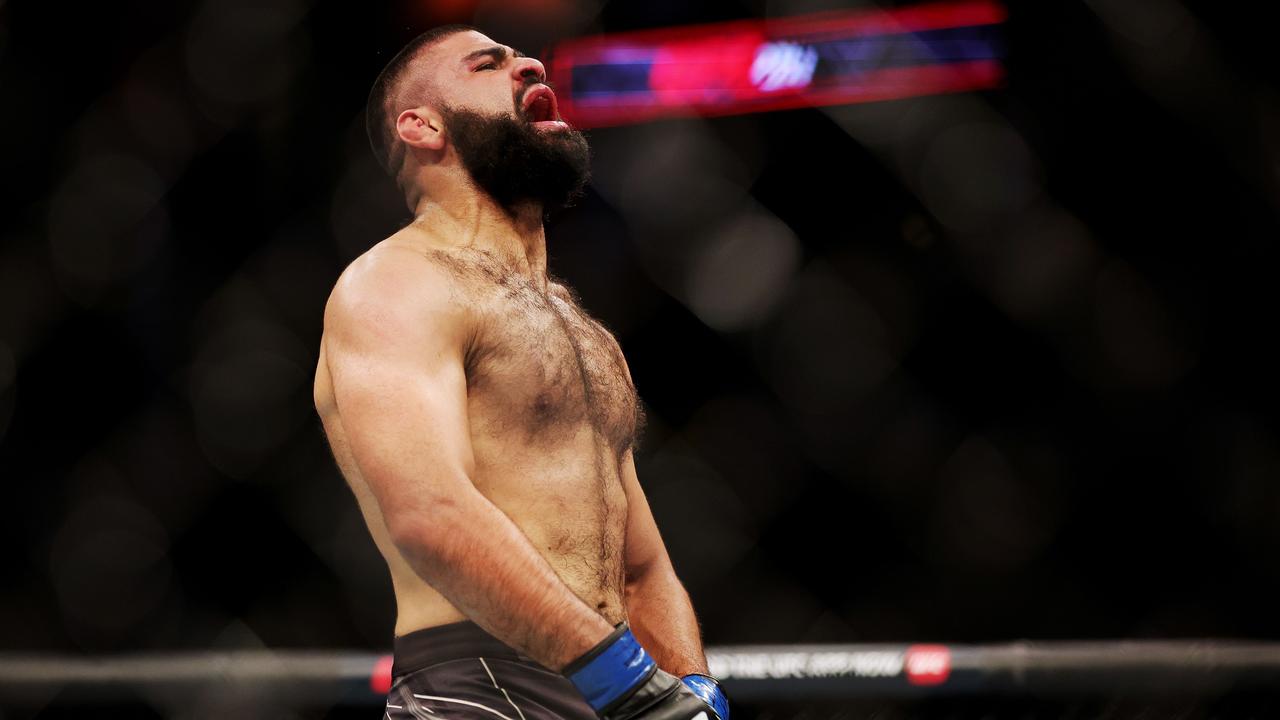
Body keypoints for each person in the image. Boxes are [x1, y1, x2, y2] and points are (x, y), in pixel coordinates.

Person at [312, 24, 731, 720]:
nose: (530, 62)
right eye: (486, 64)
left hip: (614, 681)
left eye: (521, 56)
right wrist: (625, 682)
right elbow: (431, 515)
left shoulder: (586, 334)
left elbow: (639, 567)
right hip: (479, 682)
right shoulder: (394, 282)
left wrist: (693, 690)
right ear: (422, 125)